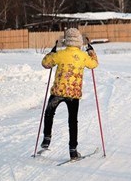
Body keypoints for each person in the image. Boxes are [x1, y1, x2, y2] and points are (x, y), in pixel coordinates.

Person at [40, 28, 98, 160]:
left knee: (49, 113)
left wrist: (51, 52)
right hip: (73, 94)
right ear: (79, 41)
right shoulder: (83, 56)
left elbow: (45, 63)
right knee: (72, 121)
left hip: (58, 91)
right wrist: (91, 52)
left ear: (66, 41)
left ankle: (47, 138)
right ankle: (73, 150)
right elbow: (94, 64)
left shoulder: (60, 54)